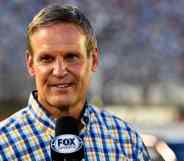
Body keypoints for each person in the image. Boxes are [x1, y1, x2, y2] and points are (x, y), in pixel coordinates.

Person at [0, 4, 150, 161]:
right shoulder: (3, 145)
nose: (59, 71)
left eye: (71, 57)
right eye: (47, 59)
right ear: (30, 64)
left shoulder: (126, 141)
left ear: (94, 60)